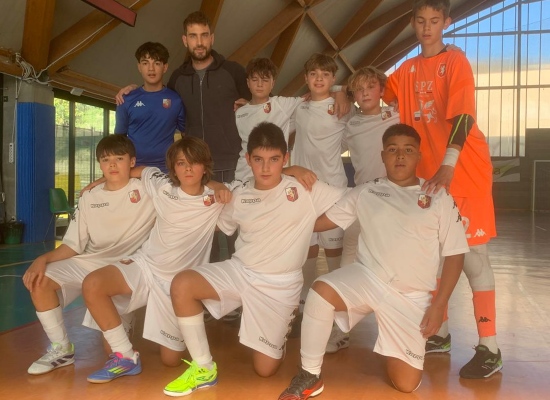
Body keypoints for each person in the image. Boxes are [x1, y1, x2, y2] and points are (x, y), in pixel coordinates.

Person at [278, 124, 469, 399]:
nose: (400, 156)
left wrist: (439, 305)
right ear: (382, 156)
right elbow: (320, 223)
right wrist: (287, 179)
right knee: (321, 292)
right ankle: (310, 374)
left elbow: (456, 253)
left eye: (408, 150)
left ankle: (392, 343)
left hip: (410, 297)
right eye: (392, 149)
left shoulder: (438, 196)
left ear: (418, 156)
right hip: (367, 278)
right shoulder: (366, 191)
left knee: (405, 384)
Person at [161, 122, 348, 397]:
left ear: (285, 159)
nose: (265, 168)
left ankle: (279, 331)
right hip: (241, 271)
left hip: (280, 284)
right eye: (258, 160)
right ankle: (203, 368)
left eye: (274, 160)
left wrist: (312, 224)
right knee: (183, 284)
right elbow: (216, 220)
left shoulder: (304, 187)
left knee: (265, 369)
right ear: (248, 159)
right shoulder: (239, 193)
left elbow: (352, 200)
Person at [383, 0, 501, 378]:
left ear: (446, 22)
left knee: (472, 259)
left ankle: (490, 347)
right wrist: (339, 92)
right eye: (421, 20)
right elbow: (373, 90)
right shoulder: (406, 70)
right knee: (432, 258)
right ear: (412, 23)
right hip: (431, 181)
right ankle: (440, 334)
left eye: (434, 20)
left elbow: (464, 115)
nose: (427, 27)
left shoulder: (456, 62)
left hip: (464, 174)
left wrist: (449, 163)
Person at [82, 137, 231, 383]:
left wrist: (219, 186)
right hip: (146, 265)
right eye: (181, 163)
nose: (188, 169)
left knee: (170, 360)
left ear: (205, 166)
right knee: (93, 284)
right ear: (173, 168)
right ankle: (126, 356)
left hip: (177, 286)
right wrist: (100, 181)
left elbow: (257, 186)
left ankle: (142, 321)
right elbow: (137, 170)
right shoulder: (161, 185)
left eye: (194, 162)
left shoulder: (217, 199)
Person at [23, 135, 156, 375]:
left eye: (119, 158)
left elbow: (165, 176)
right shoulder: (89, 197)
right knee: (40, 280)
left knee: (109, 348)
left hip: (127, 266)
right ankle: (62, 349)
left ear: (132, 162)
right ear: (100, 164)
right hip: (91, 262)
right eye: (106, 160)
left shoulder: (147, 189)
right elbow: (74, 245)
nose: (112, 164)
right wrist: (42, 259)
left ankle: (125, 333)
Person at [324, 66, 401, 354]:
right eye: (359, 89)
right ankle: (341, 330)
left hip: (393, 204)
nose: (365, 93)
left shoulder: (397, 115)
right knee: (348, 264)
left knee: (392, 269)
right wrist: (335, 91)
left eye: (370, 87)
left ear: (381, 90)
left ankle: (394, 332)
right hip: (362, 199)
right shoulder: (350, 125)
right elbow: (326, 139)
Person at [292, 53, 355, 321]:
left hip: (333, 189)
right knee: (306, 249)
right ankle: (303, 303)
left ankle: (336, 307)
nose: (319, 79)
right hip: (303, 190)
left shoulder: (343, 107)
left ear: (333, 78)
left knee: (333, 252)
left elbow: (363, 102)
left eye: (325, 75)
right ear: (306, 78)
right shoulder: (298, 107)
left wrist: (342, 91)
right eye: (314, 74)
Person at [115, 42, 185, 173]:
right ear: (139, 67)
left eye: (157, 63)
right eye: (145, 63)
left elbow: (186, 134)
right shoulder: (126, 99)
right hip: (134, 170)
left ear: (165, 67)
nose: (151, 69)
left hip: (167, 170)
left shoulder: (176, 100)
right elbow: (118, 140)